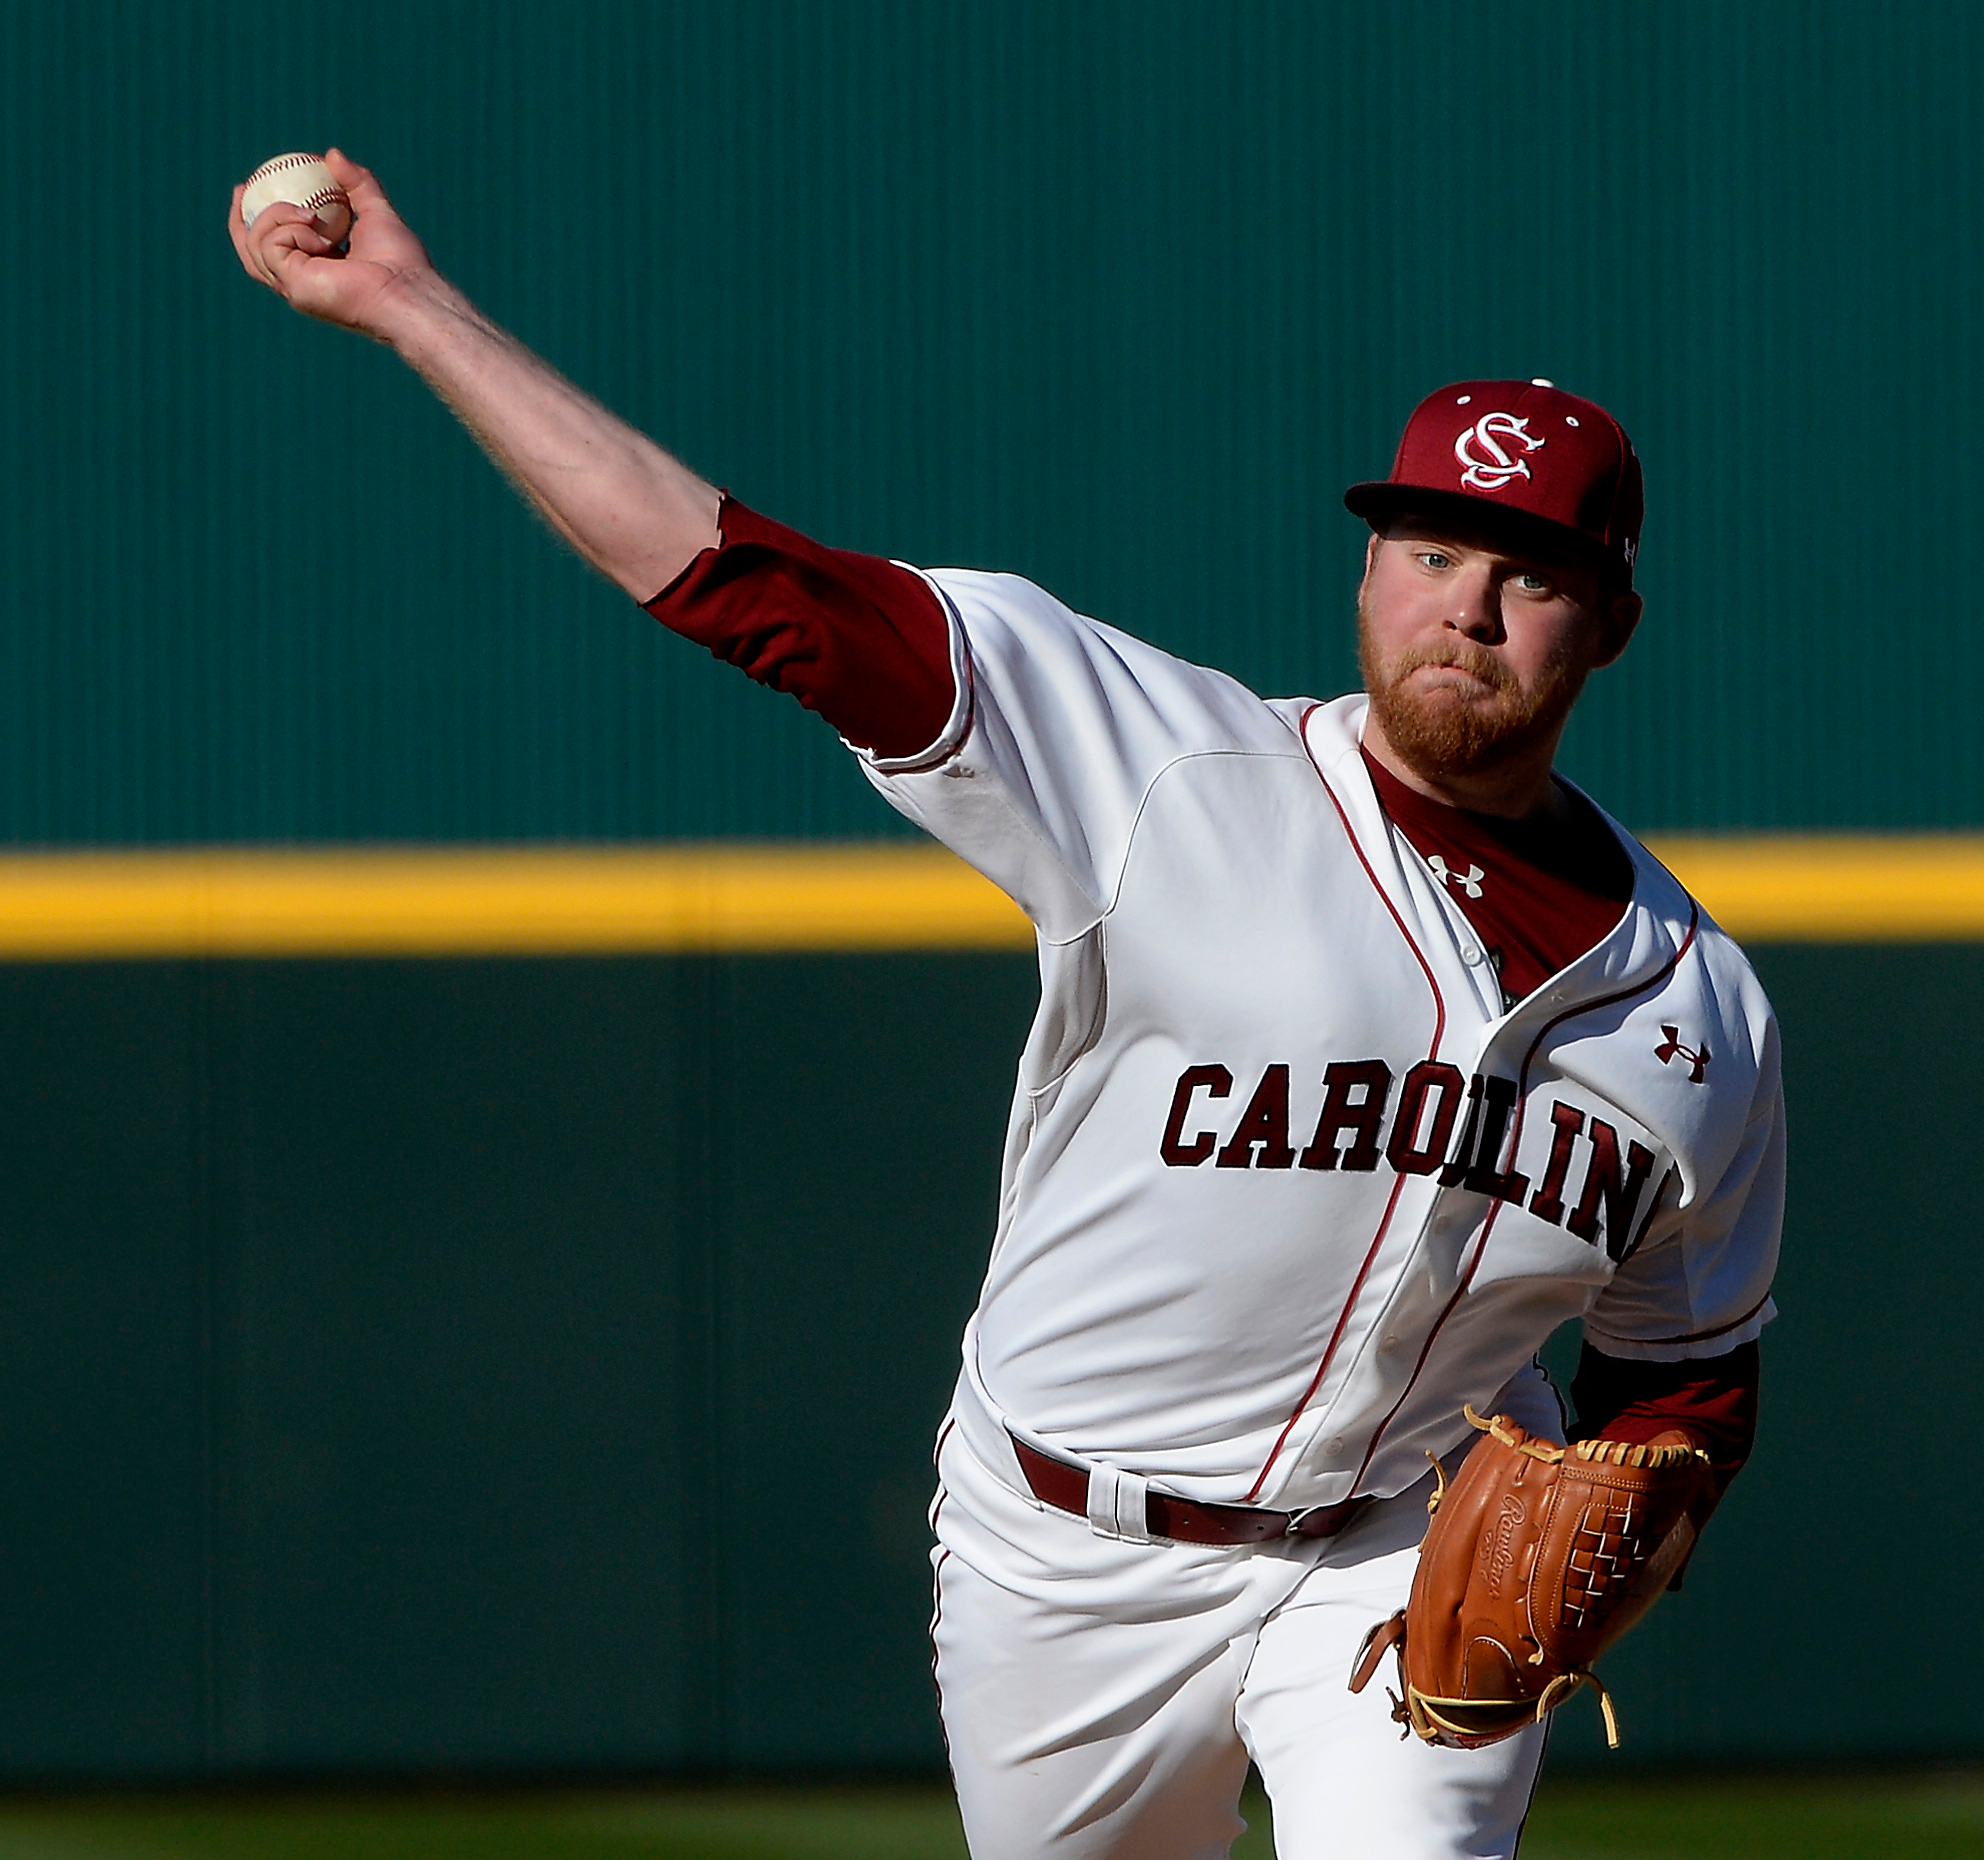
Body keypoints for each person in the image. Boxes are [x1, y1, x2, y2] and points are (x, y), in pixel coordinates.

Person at [232, 152, 1781, 1860]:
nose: (1463, 608)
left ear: (1610, 626)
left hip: (1393, 1561)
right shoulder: (1161, 770)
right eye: (1429, 550)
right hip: (1063, 1553)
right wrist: (407, 307)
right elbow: (749, 582)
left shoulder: (1695, 1009)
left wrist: (1631, 1553)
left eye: (1528, 574)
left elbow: (1685, 1377)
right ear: (1367, 574)